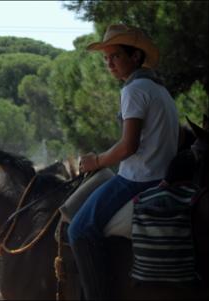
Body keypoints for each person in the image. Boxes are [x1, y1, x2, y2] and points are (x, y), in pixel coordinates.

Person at [67, 24, 179, 300]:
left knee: (78, 229)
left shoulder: (134, 90)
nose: (109, 64)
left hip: (138, 179)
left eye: (115, 56)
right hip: (163, 174)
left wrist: (96, 161)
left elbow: (128, 146)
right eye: (106, 58)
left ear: (135, 57)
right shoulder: (159, 90)